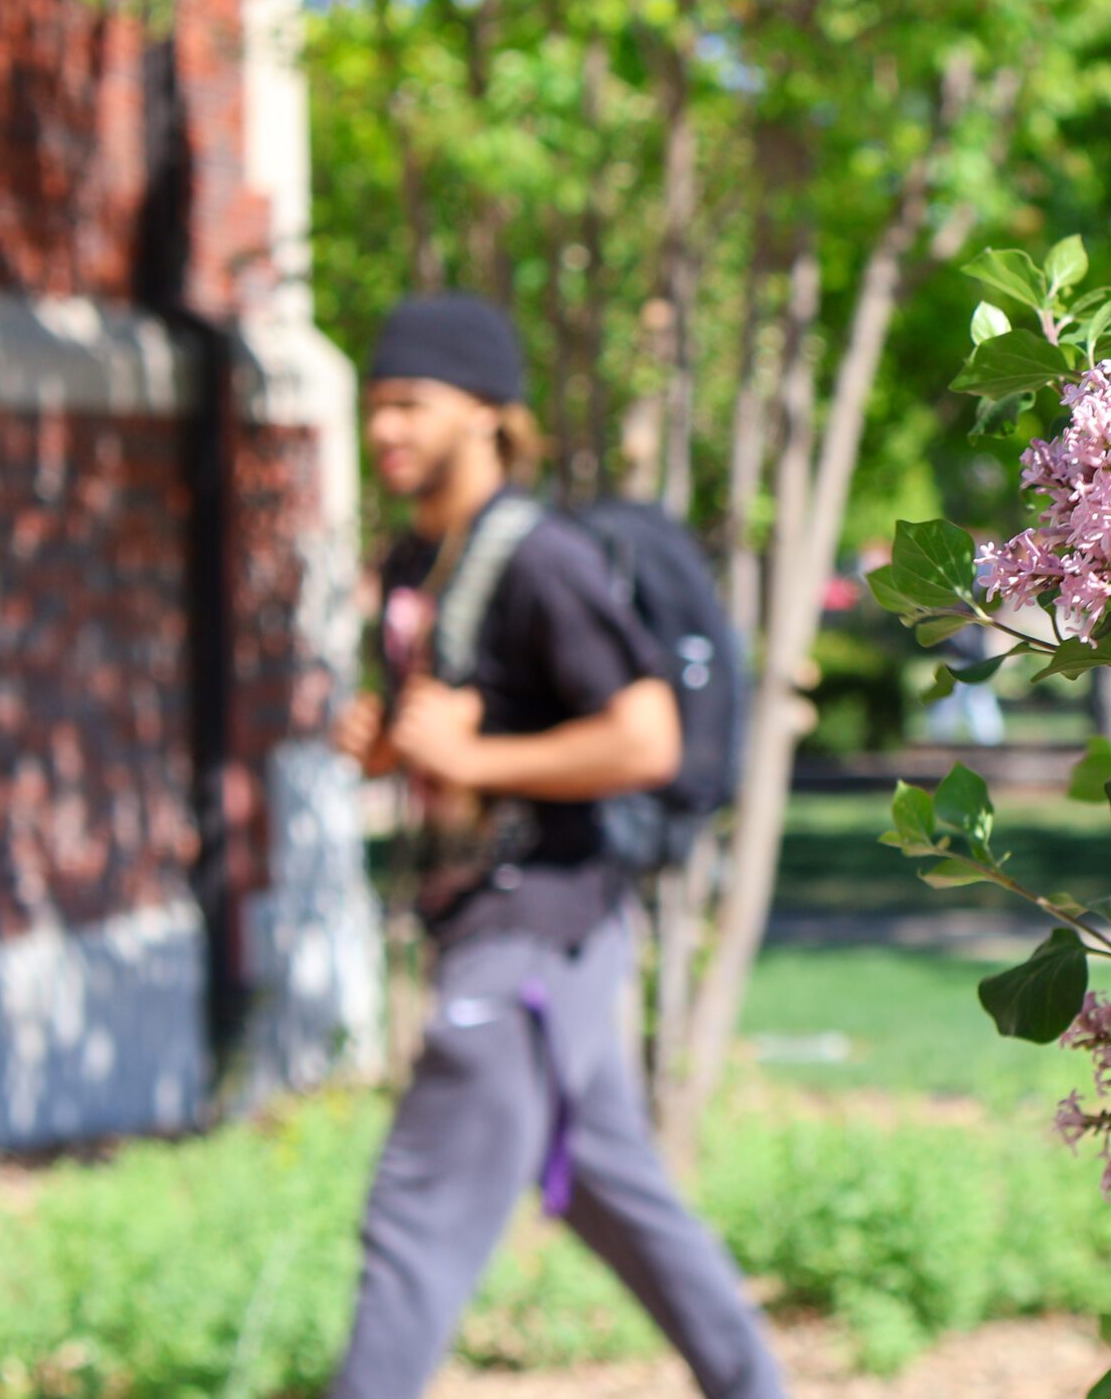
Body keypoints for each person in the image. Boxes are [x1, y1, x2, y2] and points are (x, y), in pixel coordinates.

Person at [329, 294, 783, 1399]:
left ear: (486, 414)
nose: (383, 429)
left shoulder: (543, 560)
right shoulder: (415, 559)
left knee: (415, 1215)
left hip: (534, 924)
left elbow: (645, 735)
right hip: (530, 928)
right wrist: (396, 749)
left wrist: (476, 763)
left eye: (408, 405)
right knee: (610, 1190)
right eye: (374, 407)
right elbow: (477, 727)